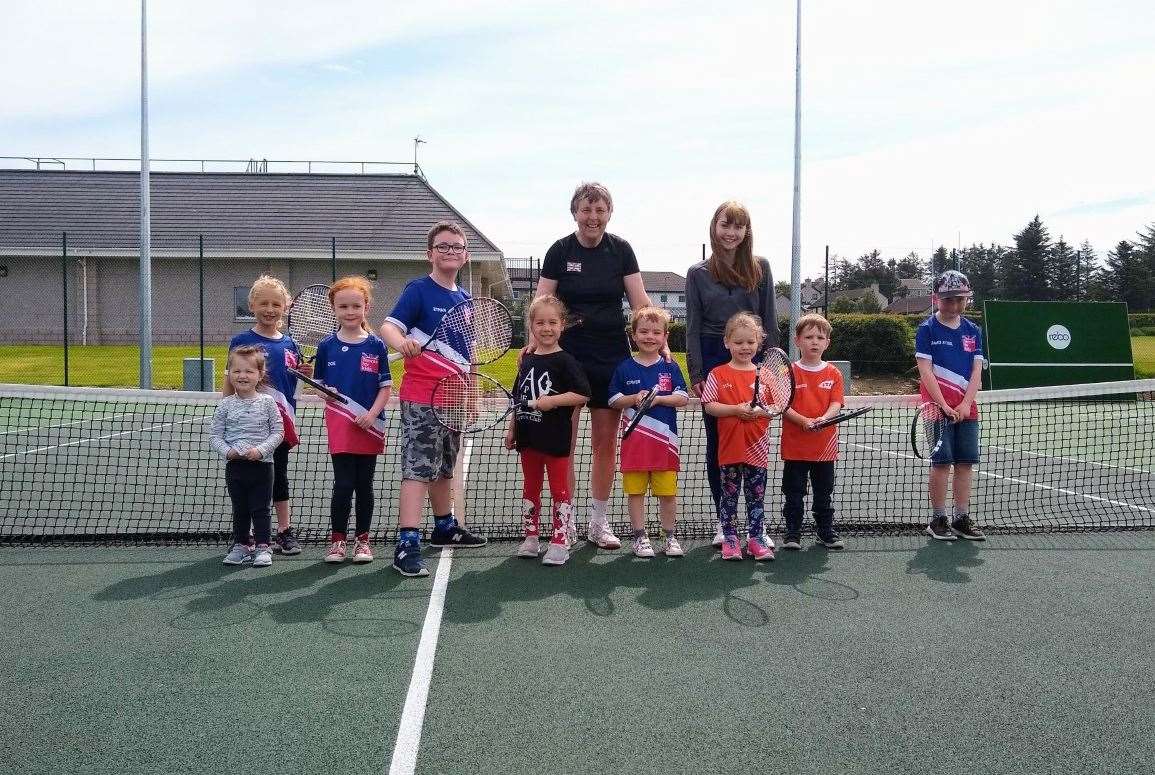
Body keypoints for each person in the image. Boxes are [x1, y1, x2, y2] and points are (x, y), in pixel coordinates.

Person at [531, 182, 655, 550]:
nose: (593, 217)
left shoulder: (621, 251)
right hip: (566, 361)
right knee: (563, 443)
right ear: (575, 213)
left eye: (600, 210)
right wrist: (534, 345)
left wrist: (657, 341)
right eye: (586, 210)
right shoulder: (559, 251)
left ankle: (598, 523)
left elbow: (641, 304)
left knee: (604, 444)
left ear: (609, 214)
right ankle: (564, 521)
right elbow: (541, 305)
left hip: (611, 359)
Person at [381, 221, 488, 578]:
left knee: (445, 465)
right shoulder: (418, 291)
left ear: (465, 255)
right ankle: (407, 543)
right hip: (422, 398)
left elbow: (468, 352)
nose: (451, 252)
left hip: (455, 399)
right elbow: (388, 327)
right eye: (443, 246)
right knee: (417, 470)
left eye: (457, 247)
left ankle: (445, 526)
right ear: (430, 253)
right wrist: (401, 343)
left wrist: (471, 394)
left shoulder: (464, 300)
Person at [685, 201, 777, 547]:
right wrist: (697, 371)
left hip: (754, 359)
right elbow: (692, 327)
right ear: (715, 226)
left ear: (746, 232)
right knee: (718, 443)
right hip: (712, 356)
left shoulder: (761, 268)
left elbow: (770, 321)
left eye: (738, 227)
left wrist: (769, 369)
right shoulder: (697, 274)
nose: (731, 233)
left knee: (754, 440)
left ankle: (756, 526)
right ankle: (725, 523)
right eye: (726, 225)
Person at [504, 295, 591, 566]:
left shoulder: (566, 361)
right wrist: (512, 429)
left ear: (562, 325)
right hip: (529, 439)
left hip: (556, 439)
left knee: (559, 490)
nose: (546, 328)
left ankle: (559, 539)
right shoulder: (527, 360)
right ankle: (530, 537)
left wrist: (551, 401)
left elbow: (581, 394)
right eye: (540, 322)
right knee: (530, 488)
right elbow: (519, 397)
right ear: (531, 325)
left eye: (552, 322)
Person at [224, 275, 306, 556]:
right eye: (263, 303)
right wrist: (227, 415)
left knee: (278, 479)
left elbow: (293, 382)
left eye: (276, 304)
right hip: (246, 426)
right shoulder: (241, 340)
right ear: (252, 305)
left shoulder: (291, 345)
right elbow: (230, 380)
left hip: (279, 427)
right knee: (247, 483)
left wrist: (306, 375)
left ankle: (284, 532)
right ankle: (246, 537)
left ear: (286, 307)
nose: (269, 309)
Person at [314, 276, 392, 564]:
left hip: (370, 424)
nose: (350, 311)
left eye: (355, 306)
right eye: (343, 306)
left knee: (365, 485)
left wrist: (371, 415)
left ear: (366, 307)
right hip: (340, 424)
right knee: (343, 484)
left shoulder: (376, 346)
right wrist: (327, 393)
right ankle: (337, 542)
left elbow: (385, 387)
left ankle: (362, 541)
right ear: (334, 309)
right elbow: (318, 384)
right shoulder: (326, 347)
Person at [608, 306, 689, 558]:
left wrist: (658, 400)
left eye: (656, 332)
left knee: (667, 493)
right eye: (643, 331)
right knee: (636, 493)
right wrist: (634, 398)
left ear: (665, 337)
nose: (649, 336)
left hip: (665, 445)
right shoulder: (624, 368)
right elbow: (613, 400)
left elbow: (683, 397)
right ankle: (640, 538)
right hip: (635, 445)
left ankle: (669, 537)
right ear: (633, 335)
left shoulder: (670, 367)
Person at [915, 269, 987, 542]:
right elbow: (925, 371)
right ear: (936, 298)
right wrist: (944, 405)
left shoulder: (973, 331)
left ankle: (961, 518)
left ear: (967, 299)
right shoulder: (927, 329)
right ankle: (938, 519)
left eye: (960, 299)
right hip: (936, 410)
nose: (954, 305)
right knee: (942, 463)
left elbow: (977, 370)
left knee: (966, 463)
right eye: (948, 299)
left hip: (968, 410)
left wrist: (967, 403)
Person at [701, 312, 776, 561]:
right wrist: (736, 410)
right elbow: (710, 405)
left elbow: (773, 409)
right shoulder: (718, 374)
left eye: (750, 342)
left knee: (756, 498)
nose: (745, 347)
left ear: (759, 343)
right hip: (730, 449)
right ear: (727, 342)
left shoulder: (766, 376)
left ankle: (756, 540)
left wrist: (757, 411)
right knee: (728, 498)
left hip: (757, 449)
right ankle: (731, 541)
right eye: (739, 342)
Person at [210, 345, 284, 567]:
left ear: (260, 375)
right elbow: (215, 436)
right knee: (240, 509)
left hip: (262, 467)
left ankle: (263, 546)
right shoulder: (224, 405)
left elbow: (278, 432)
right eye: (237, 371)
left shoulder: (268, 402)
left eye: (249, 371)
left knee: (260, 509)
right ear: (230, 374)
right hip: (235, 467)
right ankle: (242, 545)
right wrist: (228, 451)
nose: (242, 376)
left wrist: (260, 451)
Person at [780, 314, 845, 550]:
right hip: (795, 447)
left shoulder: (834, 374)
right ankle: (792, 533)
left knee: (823, 494)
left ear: (827, 342)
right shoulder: (788, 372)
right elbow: (783, 406)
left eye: (820, 337)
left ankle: (825, 532)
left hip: (824, 448)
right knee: (794, 493)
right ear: (797, 341)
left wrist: (823, 419)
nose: (814, 341)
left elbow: (836, 404)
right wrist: (804, 421)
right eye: (808, 337)